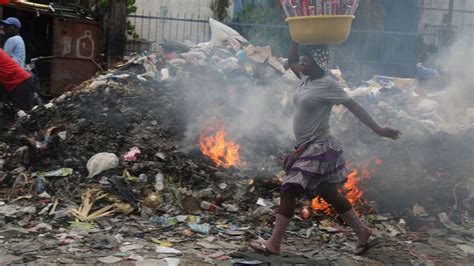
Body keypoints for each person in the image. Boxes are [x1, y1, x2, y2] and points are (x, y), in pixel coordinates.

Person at [250, 41, 401, 255]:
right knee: (328, 192)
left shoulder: (328, 84)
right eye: (303, 58)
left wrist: (378, 129)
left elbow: (354, 106)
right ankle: (363, 233)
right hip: (305, 146)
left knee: (289, 189)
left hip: (319, 146)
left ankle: (274, 243)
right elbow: (291, 59)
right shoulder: (305, 78)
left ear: (319, 64)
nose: (302, 61)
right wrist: (295, 38)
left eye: (307, 59)